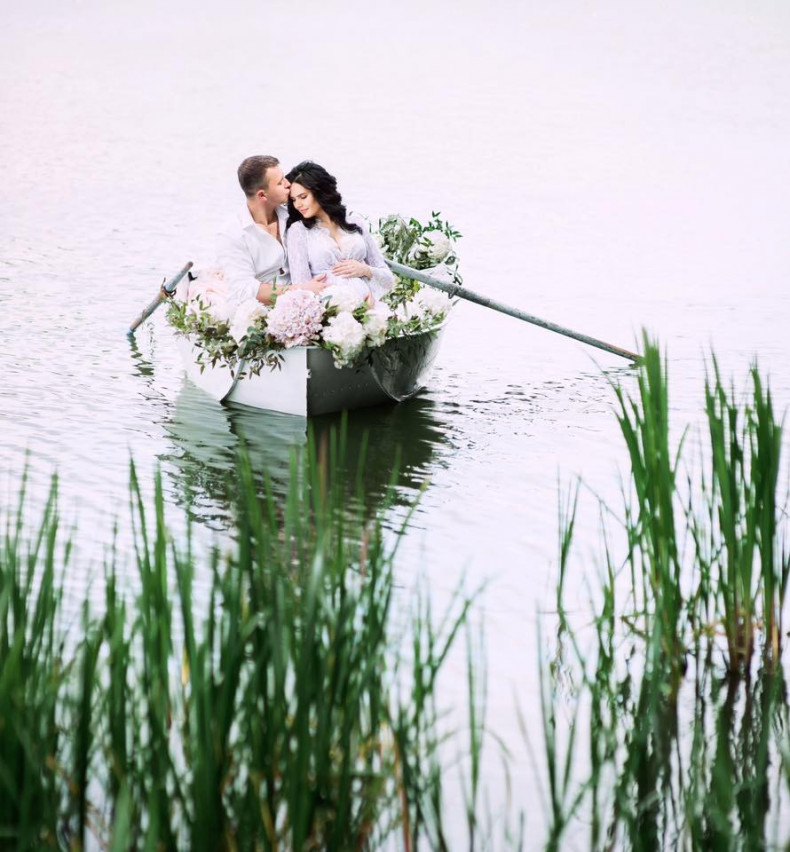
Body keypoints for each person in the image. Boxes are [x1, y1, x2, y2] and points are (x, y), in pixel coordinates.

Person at [217, 155, 327, 310]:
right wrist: (300, 290)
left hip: (308, 301)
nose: (288, 184)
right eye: (280, 182)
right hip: (260, 312)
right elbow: (243, 290)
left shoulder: (294, 213)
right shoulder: (233, 233)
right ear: (262, 195)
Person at [285, 161, 394, 303]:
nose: (298, 205)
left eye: (303, 197)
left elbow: (387, 277)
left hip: (369, 306)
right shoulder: (298, 231)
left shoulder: (355, 222)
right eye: (293, 200)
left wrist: (365, 270)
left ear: (320, 192)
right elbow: (302, 287)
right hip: (328, 310)